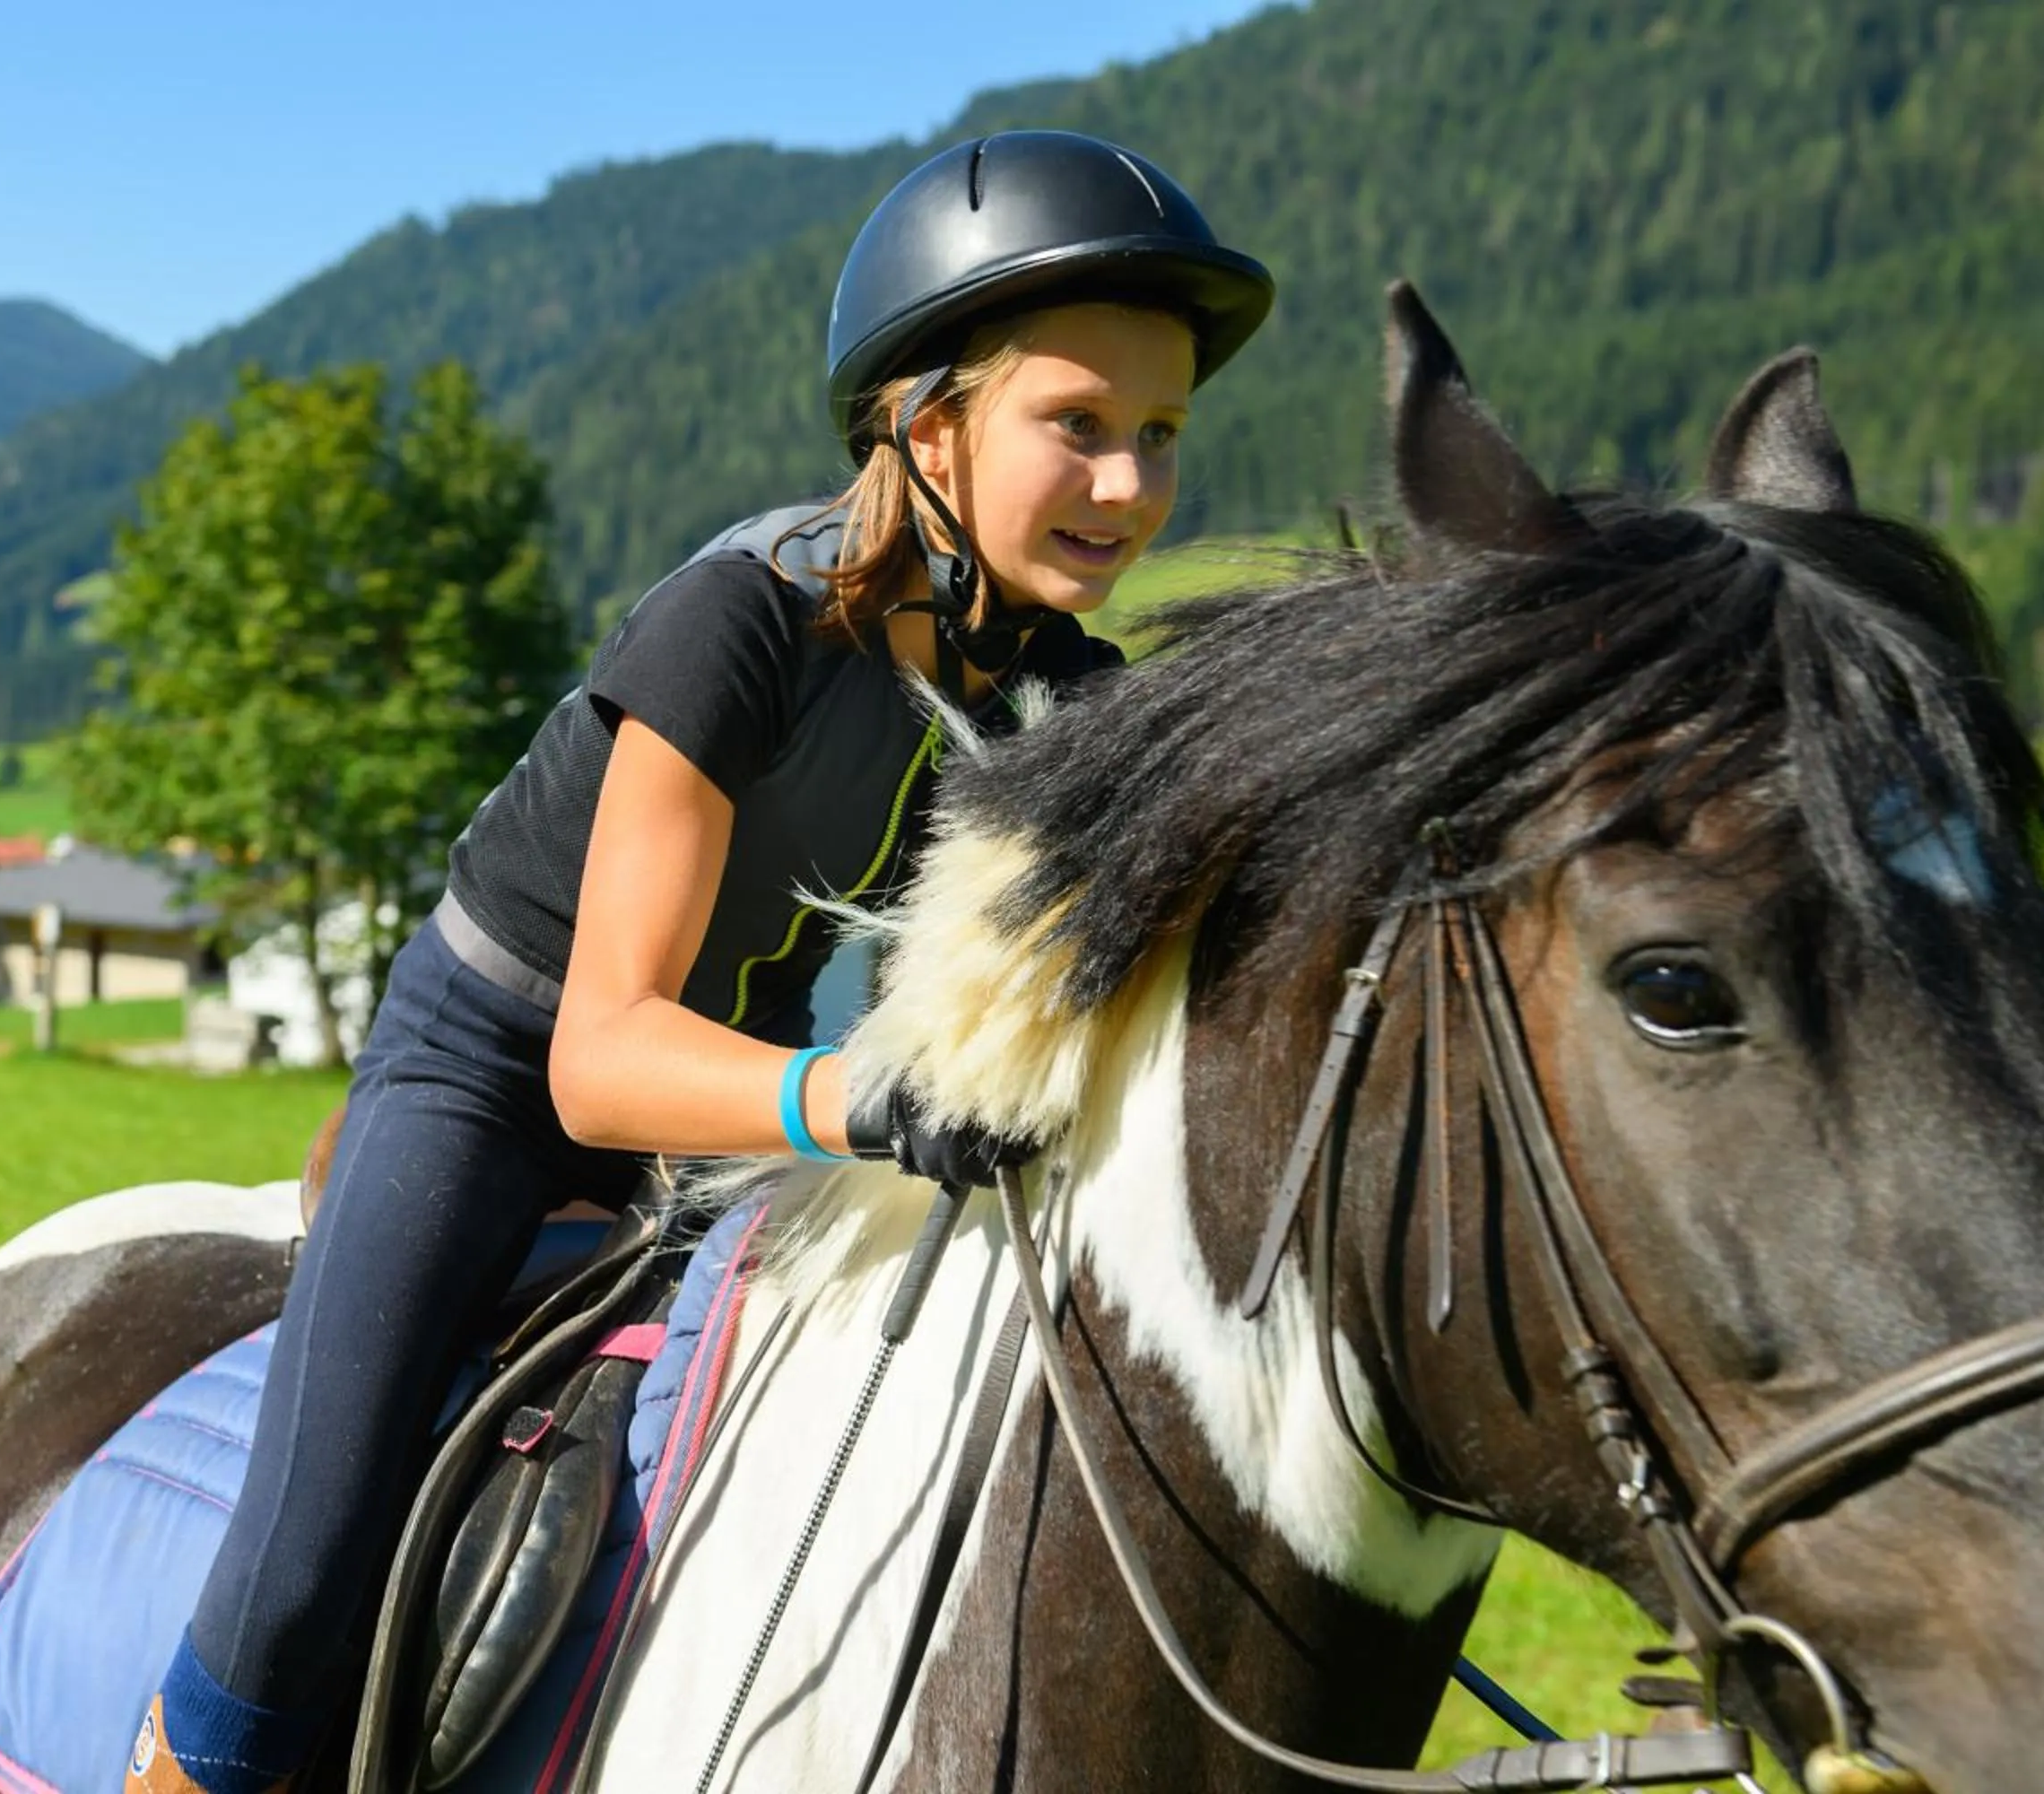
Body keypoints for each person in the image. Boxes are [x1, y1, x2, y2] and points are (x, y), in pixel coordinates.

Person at [126, 128, 1274, 1794]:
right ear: (925, 423)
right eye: (1077, 426)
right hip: (508, 1079)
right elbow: (602, 1057)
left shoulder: (1062, 694)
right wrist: (877, 1101)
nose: (1129, 485)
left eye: (1161, 434)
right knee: (304, 1573)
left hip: (735, 1122)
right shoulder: (735, 624)